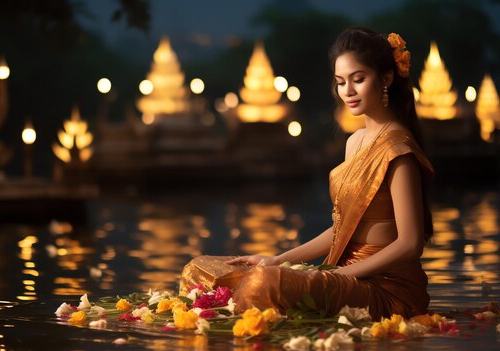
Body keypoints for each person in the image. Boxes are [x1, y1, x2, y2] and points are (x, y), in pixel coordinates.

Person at [179, 27, 434, 320]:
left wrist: (339, 275)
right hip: (341, 271)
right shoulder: (355, 141)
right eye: (340, 82)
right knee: (200, 270)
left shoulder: (398, 149)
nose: (347, 91)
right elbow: (342, 230)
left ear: (386, 78)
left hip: (386, 288)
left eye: (358, 79)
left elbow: (410, 243)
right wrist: (277, 259)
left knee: (266, 284)